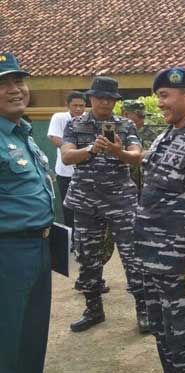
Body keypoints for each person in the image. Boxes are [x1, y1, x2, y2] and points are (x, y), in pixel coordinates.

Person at [136, 67, 185, 371]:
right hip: (153, 261)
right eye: (159, 96)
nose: (160, 103)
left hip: (182, 265)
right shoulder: (163, 138)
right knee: (163, 336)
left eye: (165, 95)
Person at [61, 76, 146, 333]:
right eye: (100, 97)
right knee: (87, 257)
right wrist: (92, 149)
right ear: (91, 98)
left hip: (121, 201)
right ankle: (93, 309)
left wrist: (118, 151)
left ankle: (144, 311)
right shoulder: (75, 125)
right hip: (86, 202)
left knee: (133, 257)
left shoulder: (125, 125)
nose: (105, 102)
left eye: (110, 99)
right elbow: (66, 156)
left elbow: (136, 156)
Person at [0, 52, 55, 373]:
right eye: (3, 84)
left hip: (38, 248)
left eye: (18, 80)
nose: (14, 89)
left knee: (33, 338)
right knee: (6, 340)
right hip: (8, 252)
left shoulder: (22, 133)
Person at [47, 91, 86, 231]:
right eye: (75, 105)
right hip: (65, 171)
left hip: (85, 172)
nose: (78, 109)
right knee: (68, 207)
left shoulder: (88, 119)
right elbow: (54, 138)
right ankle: (71, 241)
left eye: (81, 105)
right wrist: (73, 150)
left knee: (85, 208)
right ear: (67, 105)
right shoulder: (59, 117)